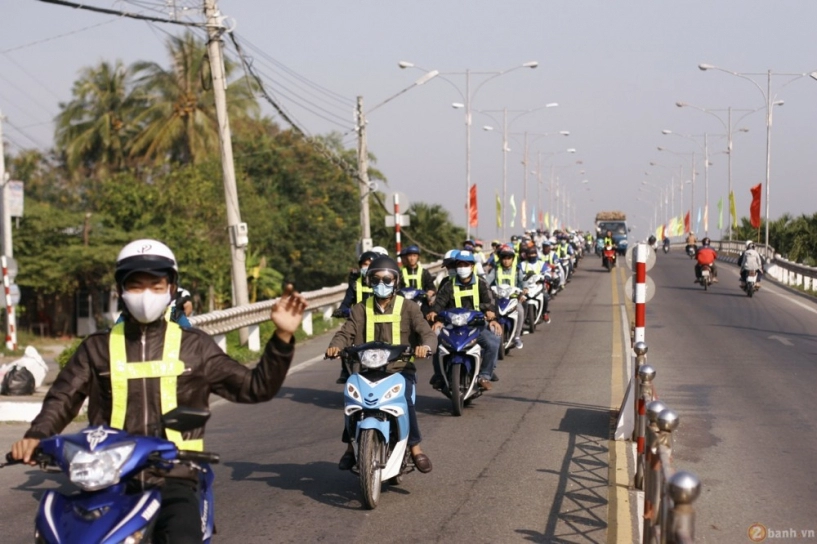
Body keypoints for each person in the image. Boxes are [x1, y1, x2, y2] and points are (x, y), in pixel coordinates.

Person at [10, 239, 306, 544]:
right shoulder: (96, 348)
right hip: (105, 479)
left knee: (182, 536)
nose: (146, 294)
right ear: (121, 290)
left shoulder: (195, 346)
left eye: (156, 284)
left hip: (174, 478)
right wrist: (36, 436)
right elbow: (62, 398)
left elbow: (256, 387)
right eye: (136, 285)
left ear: (171, 288)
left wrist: (282, 337)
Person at [325, 256, 437, 474]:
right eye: (376, 279)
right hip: (367, 370)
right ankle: (350, 447)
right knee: (352, 399)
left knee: (406, 401)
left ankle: (415, 448)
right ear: (369, 282)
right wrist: (335, 347)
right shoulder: (359, 309)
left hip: (400, 370)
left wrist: (426, 346)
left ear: (396, 281)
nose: (381, 284)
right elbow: (345, 332)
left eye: (387, 279)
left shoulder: (410, 307)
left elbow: (427, 332)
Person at [426, 251, 501, 389]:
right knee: (435, 338)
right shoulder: (448, 285)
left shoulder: (482, 283)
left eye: (465, 264)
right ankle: (439, 375)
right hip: (452, 326)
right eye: (459, 264)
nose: (462, 267)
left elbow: (491, 301)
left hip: (477, 326)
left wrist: (493, 317)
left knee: (494, 341)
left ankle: (484, 375)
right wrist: (434, 314)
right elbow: (439, 303)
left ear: (472, 266)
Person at [485, 244, 525, 349]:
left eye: (509, 258)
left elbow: (523, 283)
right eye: (504, 258)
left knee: (520, 311)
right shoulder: (496, 270)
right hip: (498, 298)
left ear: (512, 259)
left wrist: (524, 291)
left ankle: (517, 336)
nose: (506, 260)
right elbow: (487, 281)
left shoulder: (517, 270)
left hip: (513, 298)